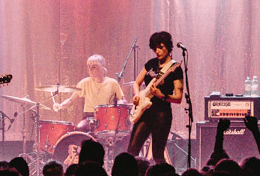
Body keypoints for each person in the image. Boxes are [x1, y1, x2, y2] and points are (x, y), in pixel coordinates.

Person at [128, 31, 183, 164]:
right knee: (131, 152)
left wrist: (162, 96)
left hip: (161, 114)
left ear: (168, 47)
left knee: (158, 154)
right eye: (155, 48)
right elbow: (137, 82)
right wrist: (136, 95)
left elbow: (179, 98)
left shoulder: (175, 68)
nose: (157, 51)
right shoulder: (151, 63)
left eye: (161, 47)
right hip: (144, 112)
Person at [54, 54, 125, 128]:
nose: (90, 69)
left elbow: (122, 100)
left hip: (107, 117)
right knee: (79, 128)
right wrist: (60, 106)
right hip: (89, 117)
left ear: (103, 68)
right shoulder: (84, 82)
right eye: (89, 66)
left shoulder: (113, 83)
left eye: (94, 67)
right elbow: (70, 100)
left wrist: (119, 105)